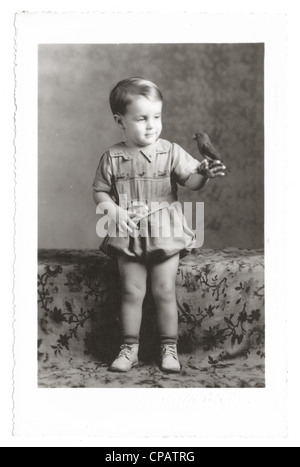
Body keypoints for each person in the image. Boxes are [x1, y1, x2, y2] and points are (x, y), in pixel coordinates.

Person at [93, 77, 226, 373]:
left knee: (165, 290)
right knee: (132, 291)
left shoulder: (171, 151)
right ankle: (129, 349)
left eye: (157, 116)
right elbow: (99, 191)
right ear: (120, 120)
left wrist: (203, 173)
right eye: (141, 118)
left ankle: (169, 347)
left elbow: (192, 182)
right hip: (128, 232)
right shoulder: (112, 157)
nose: (152, 125)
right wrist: (113, 211)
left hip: (165, 232)